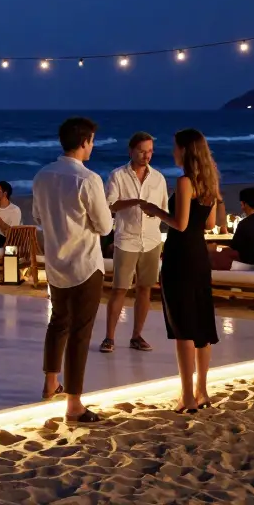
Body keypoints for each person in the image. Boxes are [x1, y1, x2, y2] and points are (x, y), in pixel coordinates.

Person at [32, 117, 113, 423]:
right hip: (85, 263)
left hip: (55, 262)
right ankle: (74, 403)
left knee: (58, 322)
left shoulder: (42, 176)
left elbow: (38, 216)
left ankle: (51, 381)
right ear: (83, 142)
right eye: (91, 141)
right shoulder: (88, 179)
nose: (92, 146)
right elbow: (104, 225)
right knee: (80, 331)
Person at [140, 128, 221, 414]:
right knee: (201, 324)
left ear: (185, 150)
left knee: (183, 326)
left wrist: (156, 210)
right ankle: (202, 391)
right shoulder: (210, 181)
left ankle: (187, 396)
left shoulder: (185, 182)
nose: (172, 151)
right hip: (199, 256)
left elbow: (181, 224)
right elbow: (209, 224)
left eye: (175, 147)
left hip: (180, 256)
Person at [101, 132, 168, 355]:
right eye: (142, 151)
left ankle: (136, 336)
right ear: (131, 151)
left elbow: (164, 209)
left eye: (150, 151)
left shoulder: (158, 178)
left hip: (151, 240)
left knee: (145, 289)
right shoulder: (117, 175)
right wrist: (136, 202)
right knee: (119, 289)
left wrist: (154, 213)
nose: (146, 155)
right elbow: (110, 205)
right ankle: (109, 337)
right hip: (127, 239)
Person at [208, 187, 254, 270]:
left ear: (243, 204)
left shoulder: (244, 224)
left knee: (215, 257)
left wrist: (216, 248)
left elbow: (234, 249)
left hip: (251, 266)